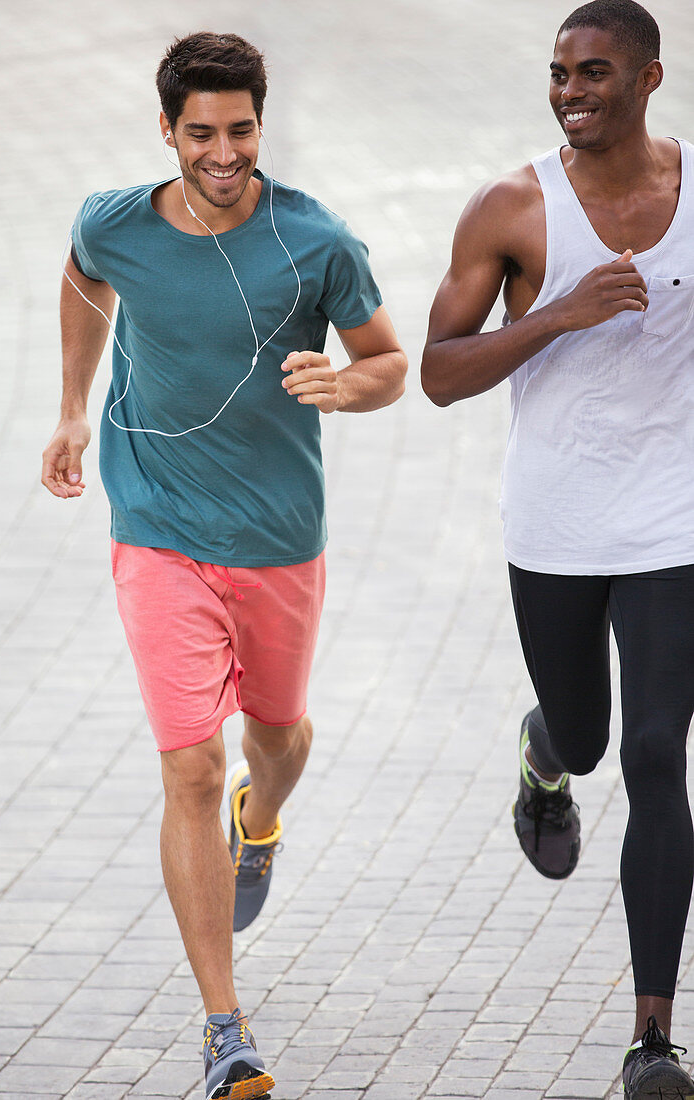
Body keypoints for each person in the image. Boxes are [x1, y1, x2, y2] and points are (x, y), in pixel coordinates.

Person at [41, 31, 406, 1100]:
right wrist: (71, 406)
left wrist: (350, 384)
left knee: (277, 740)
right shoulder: (118, 222)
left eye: (239, 129)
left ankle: (264, 818)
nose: (222, 151)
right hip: (155, 525)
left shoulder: (314, 240)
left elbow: (389, 358)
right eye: (199, 132)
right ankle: (224, 1026)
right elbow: (80, 273)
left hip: (279, 536)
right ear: (167, 130)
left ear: (260, 121)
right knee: (190, 765)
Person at [421, 0, 694, 1095]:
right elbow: (440, 371)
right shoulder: (514, 206)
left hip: (674, 519)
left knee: (655, 752)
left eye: (591, 73)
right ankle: (542, 746)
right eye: (556, 74)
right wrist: (557, 315)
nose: (569, 91)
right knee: (587, 740)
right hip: (555, 526)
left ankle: (652, 1035)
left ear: (647, 80)